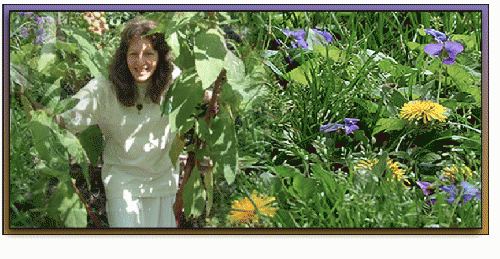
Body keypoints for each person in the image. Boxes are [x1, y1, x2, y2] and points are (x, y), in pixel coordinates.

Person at [54, 17, 184, 228]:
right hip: (122, 178)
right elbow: (70, 116)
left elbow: (200, 96)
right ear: (124, 56)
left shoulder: (173, 80)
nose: (141, 62)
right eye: (133, 54)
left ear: (161, 56)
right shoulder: (105, 88)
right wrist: (43, 116)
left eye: (149, 53)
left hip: (163, 178)